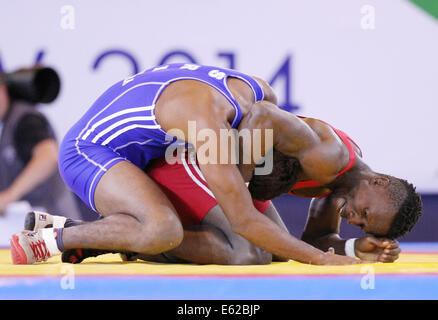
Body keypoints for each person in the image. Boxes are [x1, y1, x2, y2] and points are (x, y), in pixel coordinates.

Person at [10, 63, 422, 265]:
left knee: (273, 251)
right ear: (379, 181)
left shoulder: (337, 181)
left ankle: (80, 232)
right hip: (90, 152)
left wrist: (348, 248)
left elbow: (264, 110)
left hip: (152, 152)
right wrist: (242, 177)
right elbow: (260, 120)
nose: (353, 215)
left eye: (360, 223)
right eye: (363, 213)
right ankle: (50, 241)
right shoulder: (218, 126)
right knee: (223, 245)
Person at [0, 70, 83, 220]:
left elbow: (48, 157)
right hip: (29, 225)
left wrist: (8, 197)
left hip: (54, 225)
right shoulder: (6, 123)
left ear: (3, 90)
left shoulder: (25, 120)